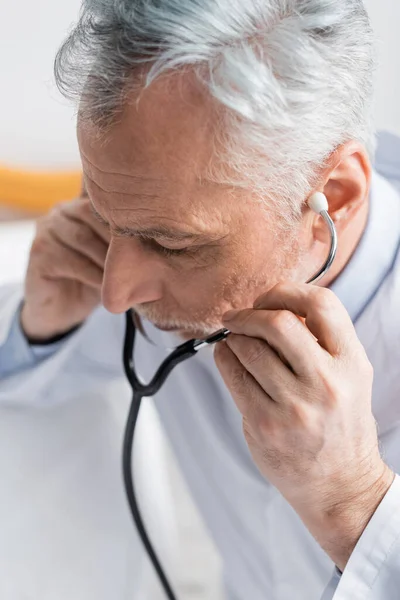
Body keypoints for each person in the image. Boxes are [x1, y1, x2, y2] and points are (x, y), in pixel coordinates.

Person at [1, 1, 400, 598]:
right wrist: (41, 327)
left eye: (172, 245)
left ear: (332, 198)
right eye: (104, 215)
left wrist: (355, 505)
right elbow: (27, 388)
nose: (117, 294)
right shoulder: (153, 249)